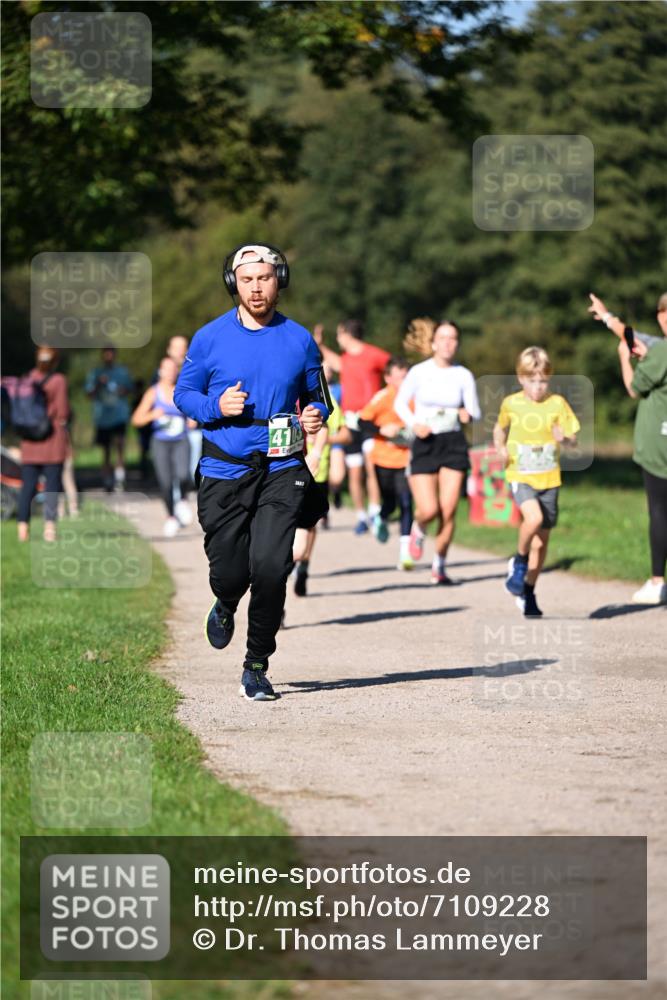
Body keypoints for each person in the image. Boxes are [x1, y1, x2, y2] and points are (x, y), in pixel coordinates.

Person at [174, 243, 330, 701]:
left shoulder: (300, 339)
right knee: (230, 572)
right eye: (247, 279)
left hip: (283, 467)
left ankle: (256, 665)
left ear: (278, 280)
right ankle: (225, 603)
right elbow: (184, 394)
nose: (256, 287)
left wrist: (316, 415)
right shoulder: (209, 338)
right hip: (224, 468)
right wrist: (215, 406)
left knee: (269, 568)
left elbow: (319, 395)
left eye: (264, 278)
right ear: (234, 284)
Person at [589, 292, 667, 604]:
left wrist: (625, 357)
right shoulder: (658, 349)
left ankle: (657, 581)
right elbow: (633, 335)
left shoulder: (661, 354)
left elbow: (634, 389)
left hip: (659, 445)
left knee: (660, 512)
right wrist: (608, 318)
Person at [493, 346, 580, 616]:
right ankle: (518, 563)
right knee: (533, 520)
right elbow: (500, 427)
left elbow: (573, 439)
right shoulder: (511, 403)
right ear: (521, 378)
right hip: (520, 474)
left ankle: (528, 589)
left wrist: (563, 438)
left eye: (543, 380)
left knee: (541, 543)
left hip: (549, 478)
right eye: (533, 380)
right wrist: (500, 446)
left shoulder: (557, 404)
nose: (538, 386)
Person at [394, 321, 481, 584]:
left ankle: (439, 565)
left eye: (453, 338)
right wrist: (414, 424)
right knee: (429, 509)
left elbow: (475, 412)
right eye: (443, 338)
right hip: (425, 441)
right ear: (433, 343)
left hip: (453, 442)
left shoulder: (463, 375)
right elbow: (400, 403)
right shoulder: (419, 372)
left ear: (457, 344)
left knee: (449, 509)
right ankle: (418, 528)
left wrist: (467, 414)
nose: (447, 343)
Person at [314, 320, 390, 534]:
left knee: (370, 465)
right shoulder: (346, 360)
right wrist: (320, 346)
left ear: (347, 334)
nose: (338, 340)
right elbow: (334, 363)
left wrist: (388, 398)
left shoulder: (374, 355)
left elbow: (395, 370)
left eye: (339, 335)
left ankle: (375, 512)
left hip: (371, 421)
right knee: (355, 473)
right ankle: (361, 516)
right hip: (350, 421)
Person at [359, 356, 414, 569]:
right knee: (390, 503)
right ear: (388, 378)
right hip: (383, 458)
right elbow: (362, 422)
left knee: (406, 502)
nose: (403, 381)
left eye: (406, 377)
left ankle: (405, 553)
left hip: (407, 459)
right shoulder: (382, 397)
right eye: (399, 377)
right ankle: (380, 517)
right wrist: (382, 430)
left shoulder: (415, 398)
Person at [292, 390, 349, 596]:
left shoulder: (319, 393)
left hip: (316, 472)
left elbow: (342, 432)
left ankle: (303, 566)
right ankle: (274, 598)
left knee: (307, 526)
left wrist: (317, 452)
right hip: (281, 472)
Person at [132, 357, 195, 536]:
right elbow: (136, 419)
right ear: (160, 371)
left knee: (184, 475)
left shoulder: (182, 391)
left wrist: (191, 418)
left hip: (181, 440)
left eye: (173, 369)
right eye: (166, 369)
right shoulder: (153, 392)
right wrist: (152, 414)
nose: (170, 372)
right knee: (166, 483)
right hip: (160, 442)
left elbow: (193, 412)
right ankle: (171, 518)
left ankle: (182, 499)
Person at [16, 346, 70, 543]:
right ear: (55, 361)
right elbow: (63, 412)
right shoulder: (58, 381)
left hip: (29, 443)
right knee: (52, 487)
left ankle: (22, 529)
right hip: (52, 442)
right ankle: (49, 529)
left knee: (27, 487)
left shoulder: (26, 379)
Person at [85, 347, 134, 492]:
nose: (108, 357)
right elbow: (88, 394)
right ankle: (107, 480)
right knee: (105, 450)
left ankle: (120, 478)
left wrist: (121, 389)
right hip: (103, 417)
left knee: (120, 447)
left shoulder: (122, 372)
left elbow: (131, 389)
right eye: (106, 355)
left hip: (119, 415)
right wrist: (99, 384)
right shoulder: (96, 373)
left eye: (111, 354)